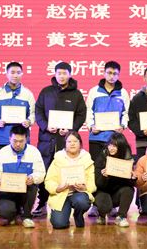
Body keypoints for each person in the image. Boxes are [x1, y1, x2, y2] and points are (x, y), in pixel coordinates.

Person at [32, 61, 86, 217]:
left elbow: (81, 114)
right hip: (47, 139)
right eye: (59, 73)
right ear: (55, 74)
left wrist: (71, 130)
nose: (61, 76)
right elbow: (38, 111)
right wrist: (45, 126)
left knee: (65, 171)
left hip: (66, 140)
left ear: (70, 75)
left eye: (64, 73)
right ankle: (42, 203)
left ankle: (66, 204)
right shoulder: (46, 92)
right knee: (45, 171)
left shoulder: (76, 94)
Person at [0, 125, 46, 228]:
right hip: (7, 191)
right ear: (10, 139)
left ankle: (26, 216)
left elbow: (41, 172)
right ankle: (13, 213)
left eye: (21, 141)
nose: (18, 144)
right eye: (15, 141)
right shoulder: (2, 152)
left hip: (26, 191)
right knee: (5, 213)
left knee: (33, 185)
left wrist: (33, 178)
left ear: (26, 139)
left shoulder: (34, 152)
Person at [45, 132, 96, 229]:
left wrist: (85, 187)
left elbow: (92, 182)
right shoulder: (57, 159)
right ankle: (60, 216)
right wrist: (57, 188)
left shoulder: (87, 159)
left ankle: (78, 214)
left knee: (82, 202)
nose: (72, 144)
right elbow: (49, 180)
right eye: (69, 141)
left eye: (75, 141)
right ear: (65, 144)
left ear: (80, 143)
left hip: (79, 193)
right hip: (61, 194)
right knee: (59, 224)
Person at [86, 60, 129, 162]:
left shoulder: (123, 93)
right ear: (104, 73)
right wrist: (91, 126)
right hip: (96, 137)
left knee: (114, 167)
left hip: (115, 139)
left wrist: (123, 126)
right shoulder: (94, 91)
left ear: (118, 75)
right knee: (96, 167)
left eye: (115, 74)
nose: (112, 76)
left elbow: (126, 113)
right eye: (109, 73)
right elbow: (88, 110)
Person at [0, 62, 35, 152]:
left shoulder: (28, 94)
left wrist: (29, 121)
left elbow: (33, 113)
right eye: (12, 72)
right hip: (2, 138)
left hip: (22, 139)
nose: (15, 75)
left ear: (22, 74)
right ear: (7, 74)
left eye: (18, 73)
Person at [93, 132, 135, 227]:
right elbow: (97, 184)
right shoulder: (101, 157)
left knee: (128, 190)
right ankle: (101, 215)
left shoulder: (127, 159)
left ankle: (121, 217)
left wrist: (132, 178)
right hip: (102, 192)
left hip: (116, 193)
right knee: (104, 205)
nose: (111, 148)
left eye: (115, 146)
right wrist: (104, 177)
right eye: (110, 145)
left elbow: (129, 184)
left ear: (121, 147)